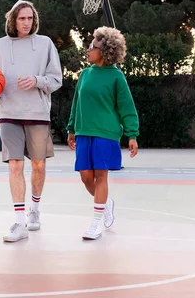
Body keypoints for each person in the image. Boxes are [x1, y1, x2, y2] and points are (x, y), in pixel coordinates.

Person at [0, 0, 63, 242]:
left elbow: (56, 79)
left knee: (38, 165)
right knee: (15, 165)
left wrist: (37, 80)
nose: (26, 22)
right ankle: (19, 224)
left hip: (37, 113)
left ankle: (35, 210)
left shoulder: (45, 44)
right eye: (22, 18)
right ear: (13, 20)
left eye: (30, 18)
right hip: (8, 113)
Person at [66, 26, 139, 240]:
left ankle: (96, 223)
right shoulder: (85, 74)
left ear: (105, 51)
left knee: (100, 175)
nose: (88, 50)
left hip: (106, 133)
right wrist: (71, 128)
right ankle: (106, 204)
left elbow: (127, 107)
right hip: (83, 131)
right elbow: (76, 103)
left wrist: (132, 134)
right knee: (86, 177)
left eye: (93, 47)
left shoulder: (117, 77)